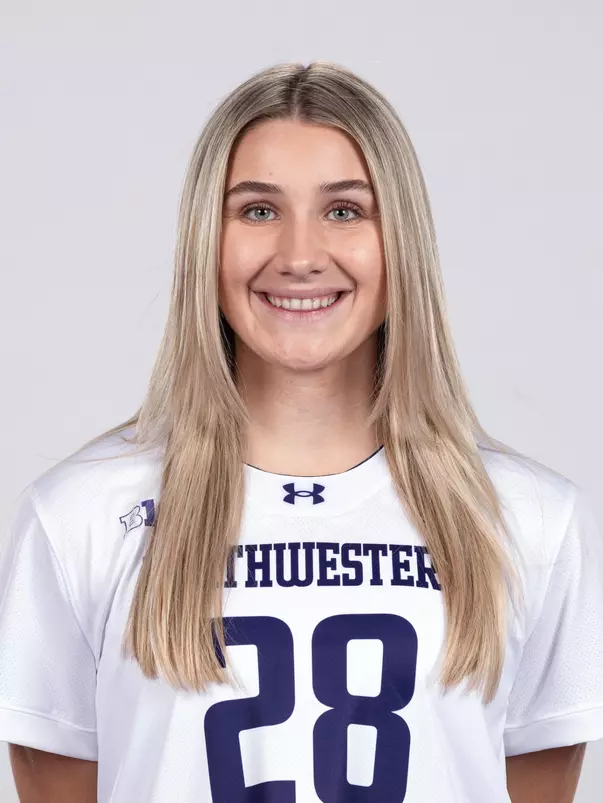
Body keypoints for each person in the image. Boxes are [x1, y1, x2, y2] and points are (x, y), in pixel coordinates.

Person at [0, 60, 602, 803]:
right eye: (257, 210)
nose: (298, 256)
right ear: (205, 242)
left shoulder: (527, 520)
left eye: (344, 210)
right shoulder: (79, 516)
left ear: (400, 241)